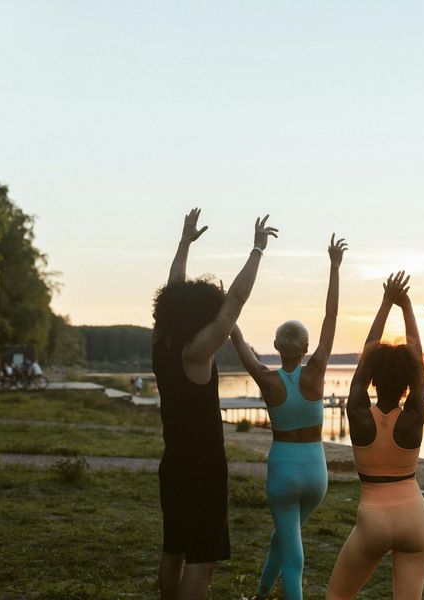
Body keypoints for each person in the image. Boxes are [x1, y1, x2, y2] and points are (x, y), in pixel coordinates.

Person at [152, 208, 278, 600]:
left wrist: (184, 243)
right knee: (201, 561)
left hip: (172, 463)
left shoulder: (161, 343)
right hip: (204, 468)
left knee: (173, 549)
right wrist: (257, 249)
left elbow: (174, 286)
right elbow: (236, 300)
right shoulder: (197, 352)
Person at [230, 234, 347, 600]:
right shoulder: (317, 371)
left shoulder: (266, 379)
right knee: (282, 538)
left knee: (293, 553)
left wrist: (226, 305)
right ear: (307, 348)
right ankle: (261, 594)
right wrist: (334, 266)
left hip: (282, 471)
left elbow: (237, 340)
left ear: (278, 347)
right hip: (315, 474)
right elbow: (331, 316)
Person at [327, 271, 424, 600]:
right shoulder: (414, 415)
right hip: (414, 516)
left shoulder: (358, 414)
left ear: (372, 379)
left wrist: (386, 303)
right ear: (407, 384)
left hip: (374, 518)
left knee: (336, 597)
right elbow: (419, 365)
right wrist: (407, 307)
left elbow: (364, 365)